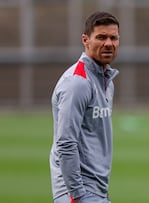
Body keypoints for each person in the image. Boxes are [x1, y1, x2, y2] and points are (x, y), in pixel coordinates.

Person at [50, 11, 120, 203]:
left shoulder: (106, 81)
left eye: (113, 38)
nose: (108, 43)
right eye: (101, 37)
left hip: (97, 192)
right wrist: (77, 194)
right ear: (85, 40)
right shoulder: (77, 83)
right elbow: (65, 142)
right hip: (78, 193)